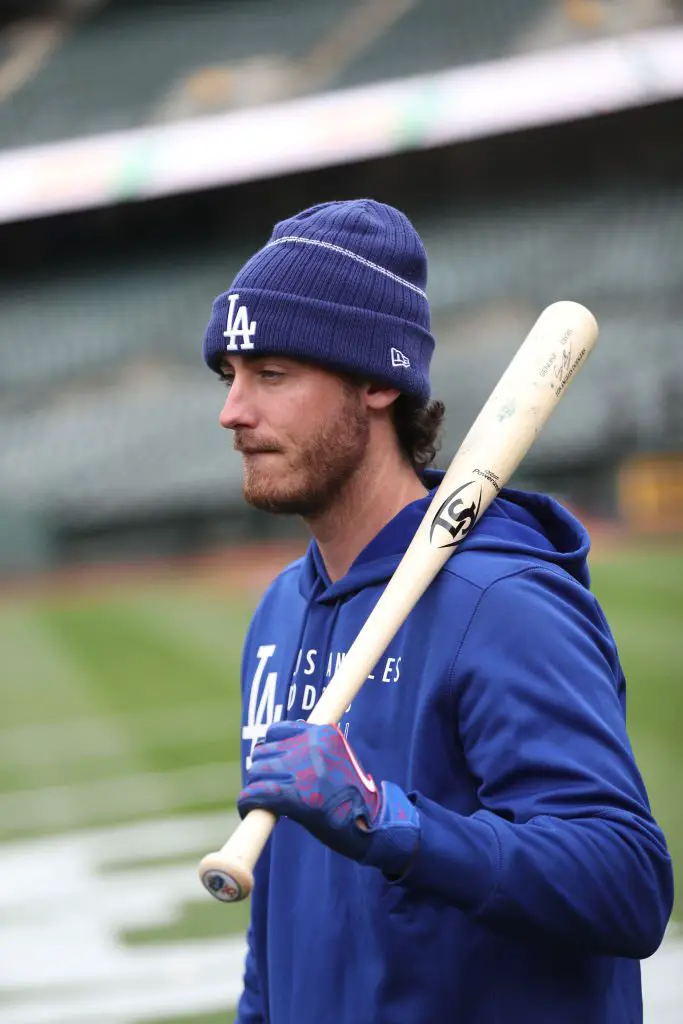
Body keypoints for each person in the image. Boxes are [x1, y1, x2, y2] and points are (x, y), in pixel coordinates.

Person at [202, 199, 673, 1024]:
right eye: (229, 376)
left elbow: (626, 884)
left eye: (271, 375)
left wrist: (387, 820)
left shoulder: (501, 602)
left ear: (378, 382)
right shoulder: (279, 610)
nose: (233, 413)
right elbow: (279, 932)